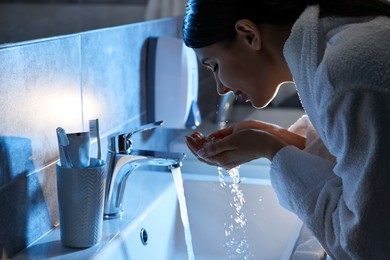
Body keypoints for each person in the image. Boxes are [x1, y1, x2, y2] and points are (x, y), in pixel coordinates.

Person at [182, 0, 390, 259]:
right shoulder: (334, 52)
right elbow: (355, 164)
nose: (220, 88)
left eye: (214, 65)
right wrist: (275, 137)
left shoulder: (346, 74)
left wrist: (270, 148)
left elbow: (365, 244)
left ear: (248, 35)